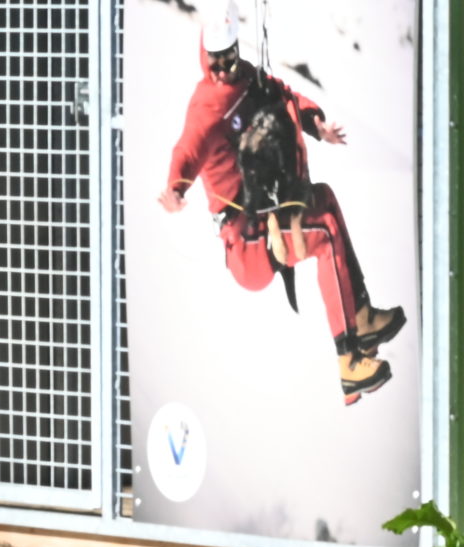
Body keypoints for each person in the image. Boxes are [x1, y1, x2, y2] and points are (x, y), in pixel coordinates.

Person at [156, 6, 405, 405]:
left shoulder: (246, 78)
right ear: (204, 58)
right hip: (247, 240)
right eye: (215, 62)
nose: (223, 69)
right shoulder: (207, 106)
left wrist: (314, 122)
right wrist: (176, 187)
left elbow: (282, 93)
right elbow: (187, 149)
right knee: (322, 229)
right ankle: (348, 360)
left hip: (267, 212)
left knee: (324, 199)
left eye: (229, 58)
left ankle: (360, 315)